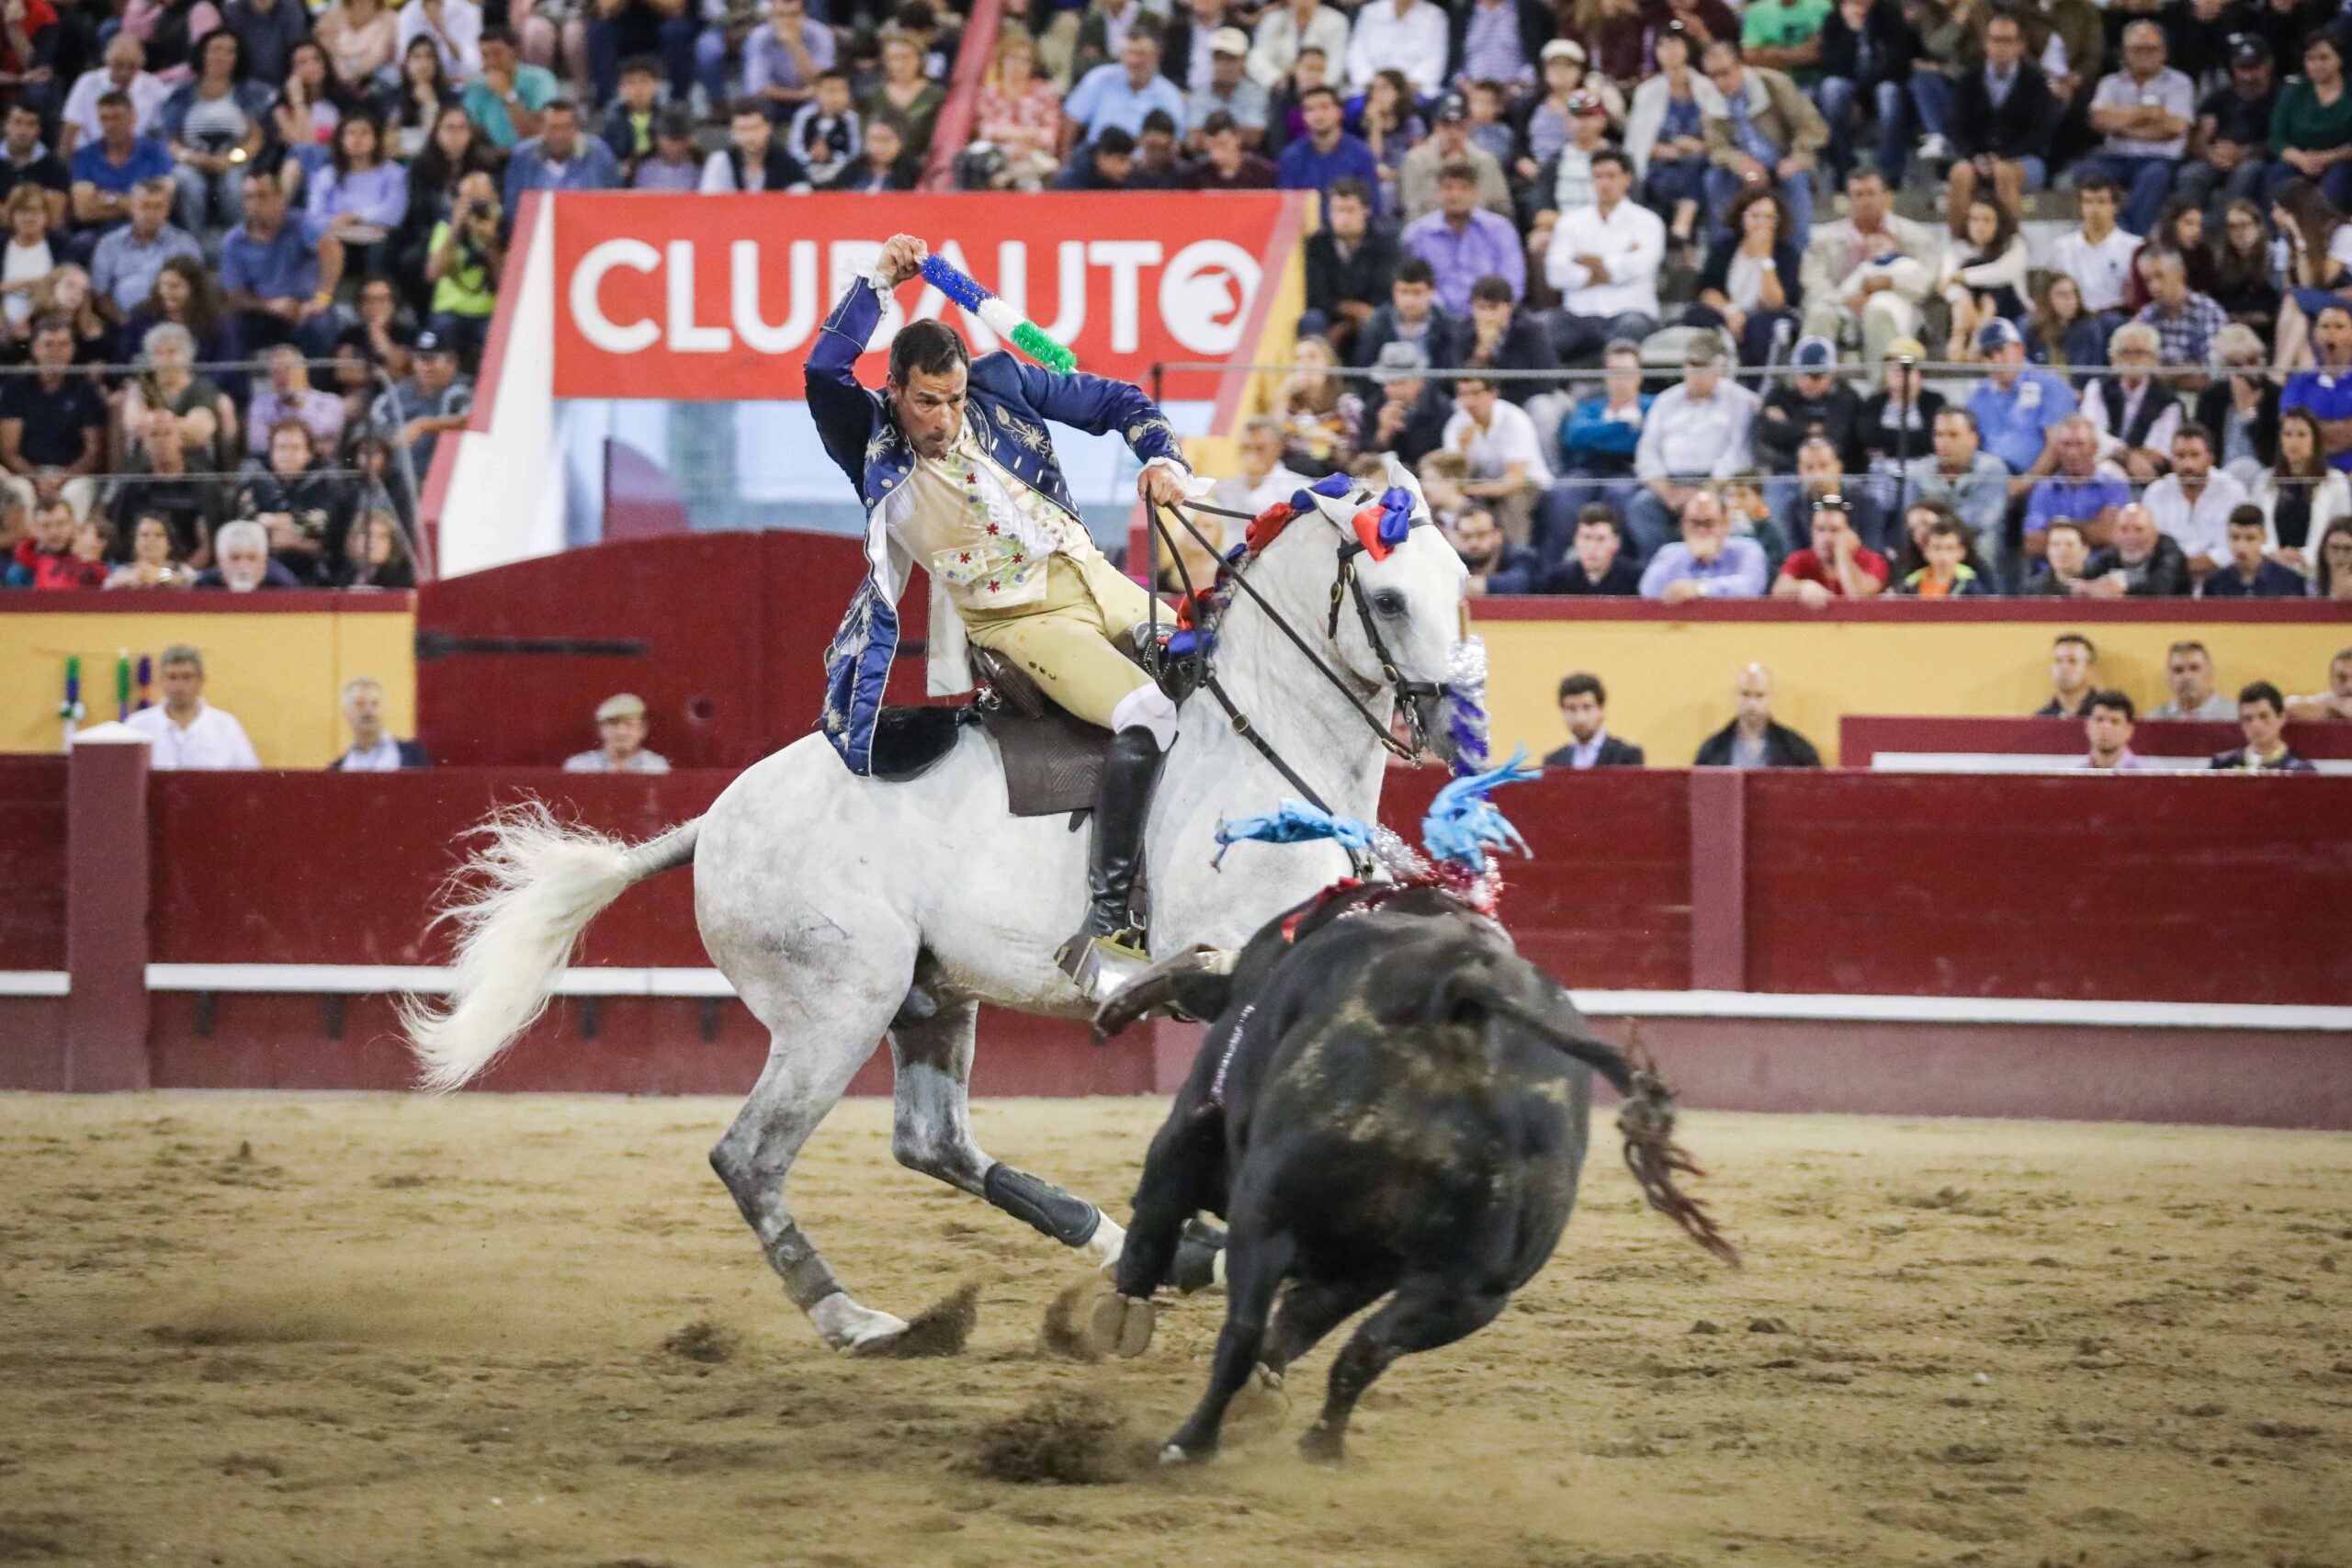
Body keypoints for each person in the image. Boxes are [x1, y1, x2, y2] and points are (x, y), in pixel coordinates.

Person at [806, 232, 1201, 992]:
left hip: (1095, 579)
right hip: (1016, 622)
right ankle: (1110, 927)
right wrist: (877, 280)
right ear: (894, 390)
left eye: (953, 400)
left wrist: (1163, 458)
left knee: (1205, 666)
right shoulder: (866, 436)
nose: (945, 418)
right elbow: (824, 367)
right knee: (1149, 713)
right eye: (927, 401)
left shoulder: (1002, 382)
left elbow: (1120, 399)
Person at [1627, 334, 1757, 559]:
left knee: (1735, 511)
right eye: (1691, 366)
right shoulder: (1666, 401)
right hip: (1670, 483)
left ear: (1719, 367)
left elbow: (1738, 453)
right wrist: (1667, 492)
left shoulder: (1740, 400)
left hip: (1719, 485)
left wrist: (1705, 492)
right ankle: (1662, 567)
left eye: (1703, 367)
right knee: (1641, 506)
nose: (1695, 374)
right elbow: (1647, 451)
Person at [1796, 165, 1937, 367]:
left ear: (1887, 198)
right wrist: (1845, 299)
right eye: (1858, 195)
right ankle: (1809, 383)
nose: (1865, 201)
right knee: (1819, 312)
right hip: (1840, 305)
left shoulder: (1914, 236)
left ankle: (1885, 389)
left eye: (1871, 194)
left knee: (1877, 311)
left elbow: (1927, 280)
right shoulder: (1823, 240)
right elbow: (1813, 283)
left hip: (1893, 307)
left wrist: (1890, 281)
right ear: (1848, 200)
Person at [1699, 39, 1826, 250]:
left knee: (1793, 178)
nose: (1720, 82)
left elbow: (1811, 127)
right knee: (1714, 179)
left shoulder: (1774, 84)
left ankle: (1797, 250)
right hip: (1747, 169)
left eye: (1725, 73)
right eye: (1713, 76)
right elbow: (1716, 147)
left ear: (1740, 66)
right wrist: (1739, 162)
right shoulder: (1710, 99)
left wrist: (1797, 157)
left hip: (1785, 159)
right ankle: (1725, 249)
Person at [1542, 146, 1664, 362]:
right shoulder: (1570, 222)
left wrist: (1586, 262)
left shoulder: (1648, 222)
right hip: (1578, 312)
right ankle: (1552, 394)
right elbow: (1556, 274)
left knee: (1629, 331)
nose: (1604, 183)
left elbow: (1640, 266)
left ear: (1626, 179)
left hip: (1630, 309)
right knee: (1542, 333)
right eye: (1598, 176)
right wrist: (1617, 262)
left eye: (1611, 176)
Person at [1940, 11, 2055, 235]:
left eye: (2008, 41)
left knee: (2004, 172)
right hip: (1977, 157)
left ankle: (2008, 244)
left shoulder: (2035, 81)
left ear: (2019, 46)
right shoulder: (1969, 79)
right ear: (1986, 44)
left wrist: (2002, 157)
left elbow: (2040, 132)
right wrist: (1975, 157)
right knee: (1960, 172)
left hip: (2023, 158)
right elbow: (1955, 126)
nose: (2001, 47)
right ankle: (1959, 243)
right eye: (1995, 40)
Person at [2083, 21, 2194, 237]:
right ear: (2124, 52)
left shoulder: (2180, 83)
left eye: (2151, 49)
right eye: (2136, 49)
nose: (2144, 54)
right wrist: (2147, 114)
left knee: (2155, 176)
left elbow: (2175, 127)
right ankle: (2103, 234)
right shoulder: (2110, 83)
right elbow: (2099, 120)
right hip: (2115, 158)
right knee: (2086, 172)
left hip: (2160, 160)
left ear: (2164, 52)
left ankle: (2129, 237)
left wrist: (2120, 125)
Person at [220, 169, 345, 358]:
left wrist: (322, 298)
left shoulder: (301, 223)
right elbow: (235, 295)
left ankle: (317, 387)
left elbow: (332, 249)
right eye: (249, 197)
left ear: (280, 198)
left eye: (263, 196)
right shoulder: (234, 241)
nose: (255, 204)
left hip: (306, 307)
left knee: (319, 326)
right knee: (230, 327)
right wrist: (270, 305)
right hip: (264, 311)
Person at [0, 314, 105, 529]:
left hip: (72, 474)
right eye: (48, 344)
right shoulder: (16, 389)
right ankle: (27, 552)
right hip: (27, 472)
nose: (55, 351)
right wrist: (37, 478)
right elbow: (9, 451)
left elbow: (93, 452)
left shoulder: (85, 391)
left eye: (63, 344)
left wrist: (62, 478)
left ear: (72, 349)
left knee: (74, 493)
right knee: (20, 491)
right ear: (35, 349)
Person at [1547, 338, 1648, 547]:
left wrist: (1600, 436)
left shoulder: (1653, 405)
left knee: (1620, 492)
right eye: (1614, 371)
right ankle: (1554, 565)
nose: (1620, 378)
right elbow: (1574, 435)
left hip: (1630, 470)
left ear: (1639, 374)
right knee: (1564, 492)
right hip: (1588, 468)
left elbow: (1644, 439)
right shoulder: (1590, 406)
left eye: (1626, 371)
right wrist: (1625, 426)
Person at [1689, 185, 1802, 367]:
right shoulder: (1724, 248)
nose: (1761, 223)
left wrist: (1765, 260)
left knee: (1760, 327)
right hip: (1729, 312)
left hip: (1765, 316)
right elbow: (1707, 290)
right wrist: (1731, 311)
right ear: (1742, 218)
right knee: (1697, 314)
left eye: (1768, 217)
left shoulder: (1787, 253)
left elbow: (1777, 304)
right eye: (1755, 216)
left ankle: (1757, 385)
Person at [2177, 35, 2278, 226]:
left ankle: (2214, 231)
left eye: (2254, 68)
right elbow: (2197, 138)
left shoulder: (2279, 97)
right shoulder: (2220, 97)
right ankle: (2184, 229)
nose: (2248, 76)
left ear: (2268, 64)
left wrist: (2243, 153)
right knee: (2190, 174)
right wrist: (2209, 151)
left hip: (2256, 159)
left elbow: (2279, 141)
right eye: (2242, 68)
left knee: (2247, 172)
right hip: (2216, 158)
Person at [1968, 320, 2076, 496]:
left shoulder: (2050, 385)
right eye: (1988, 355)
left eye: (2001, 350)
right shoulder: (1978, 396)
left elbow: (2056, 444)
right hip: (1990, 480)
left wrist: (2025, 482)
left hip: (2041, 482)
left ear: (2020, 349)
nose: (1996, 360)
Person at [1402, 159, 1523, 314]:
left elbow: (1513, 284)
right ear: (1438, 192)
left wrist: (1486, 312)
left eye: (1464, 188)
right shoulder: (1418, 234)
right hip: (1436, 319)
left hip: (1490, 314)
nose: (1456, 195)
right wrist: (1441, 316)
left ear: (1475, 192)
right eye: (1448, 188)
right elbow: (1415, 284)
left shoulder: (1500, 229)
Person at [123, 644, 261, 768]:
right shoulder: (137, 726)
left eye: (187, 677)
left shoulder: (226, 726)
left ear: (201, 680)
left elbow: (249, 777)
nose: (179, 685)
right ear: (161, 680)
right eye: (172, 677)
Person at [1298, 177, 1394, 353]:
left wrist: (1346, 327)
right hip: (1329, 317)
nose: (1343, 218)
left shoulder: (1384, 243)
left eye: (1350, 211)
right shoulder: (1317, 244)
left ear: (1366, 211)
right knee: (1312, 319)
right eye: (1337, 211)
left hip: (1370, 316)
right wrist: (1349, 310)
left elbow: (1382, 293)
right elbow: (1317, 295)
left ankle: (1370, 380)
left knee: (1377, 320)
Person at [88, 176, 200, 321]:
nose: (151, 214)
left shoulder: (185, 245)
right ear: (132, 207)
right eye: (145, 206)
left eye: (158, 207)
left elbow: (195, 291)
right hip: (122, 324)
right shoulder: (109, 244)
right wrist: (127, 324)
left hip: (172, 325)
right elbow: (100, 295)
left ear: (167, 209)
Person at [2142, 423, 2245, 582]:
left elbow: (2233, 549)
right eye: (2180, 456)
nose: (2187, 465)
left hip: (2221, 581)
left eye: (2194, 455)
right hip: (2167, 584)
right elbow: (2148, 546)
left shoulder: (2233, 492)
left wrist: (2181, 567)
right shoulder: (2156, 493)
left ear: (2210, 459)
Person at [368, 327, 470, 482]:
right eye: (421, 359)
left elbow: (469, 420)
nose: (425, 366)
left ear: (452, 363)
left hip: (441, 480)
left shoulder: (459, 392)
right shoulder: (396, 393)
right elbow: (374, 421)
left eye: (432, 360)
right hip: (394, 479)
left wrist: (423, 425)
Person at [1937, 196, 2029, 361]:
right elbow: (1944, 285)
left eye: (1987, 220)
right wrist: (1963, 299)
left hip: (2009, 313)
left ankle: (1973, 340)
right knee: (1962, 288)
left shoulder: (2014, 245)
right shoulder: (1957, 248)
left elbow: (2003, 273)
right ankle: (1968, 339)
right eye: (1974, 219)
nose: (1980, 226)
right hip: (1968, 315)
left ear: (1998, 223)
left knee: (1994, 283)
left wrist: (1961, 276)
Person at [69, 91, 175, 234]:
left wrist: (109, 198)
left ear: (133, 118)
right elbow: (83, 210)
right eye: (104, 119)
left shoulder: (155, 151)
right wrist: (139, 204)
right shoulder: (85, 154)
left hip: (148, 228)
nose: (110, 125)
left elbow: (162, 203)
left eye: (117, 118)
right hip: (100, 231)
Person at [1754, 334, 1860, 475]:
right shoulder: (1780, 394)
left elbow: (1838, 438)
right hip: (1789, 469)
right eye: (1802, 374)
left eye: (1816, 377)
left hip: (1837, 473)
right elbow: (1766, 433)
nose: (1808, 382)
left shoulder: (1846, 396)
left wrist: (1789, 425)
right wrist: (1810, 429)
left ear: (1831, 375)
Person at [2048, 175, 2143, 331]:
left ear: (2114, 206)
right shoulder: (2062, 247)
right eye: (2088, 202)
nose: (2094, 209)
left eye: (2101, 202)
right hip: (2073, 320)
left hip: (2115, 321)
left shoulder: (2134, 247)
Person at [1640, 489, 1770, 601]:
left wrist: (1700, 588)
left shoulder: (1747, 549)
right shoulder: (1669, 552)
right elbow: (1648, 590)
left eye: (1709, 523)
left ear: (1725, 525)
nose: (1701, 530)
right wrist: (1690, 555)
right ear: (1683, 525)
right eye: (1695, 523)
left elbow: (1751, 587)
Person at [1450, 273, 1558, 401]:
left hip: (1525, 397)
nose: (1487, 316)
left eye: (1493, 308)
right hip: (1480, 401)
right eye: (1481, 308)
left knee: (1542, 406)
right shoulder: (1464, 331)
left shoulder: (1531, 330)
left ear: (1509, 307)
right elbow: (1454, 381)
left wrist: (1500, 397)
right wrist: (1480, 355)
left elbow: (1545, 381)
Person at [1694, 661, 1821, 766]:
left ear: (1771, 697)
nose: (1751, 703)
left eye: (1759, 695)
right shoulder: (1712, 750)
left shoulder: (1796, 750)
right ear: (1735, 696)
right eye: (1745, 694)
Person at [1276, 84, 1381, 209]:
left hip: (1348, 227)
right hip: (1306, 227)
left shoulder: (1361, 154)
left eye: (1324, 107)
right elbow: (1287, 207)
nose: (1318, 114)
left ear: (1339, 112)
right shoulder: (1291, 157)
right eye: (1310, 109)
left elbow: (1372, 206)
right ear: (1303, 116)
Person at [1772, 491, 1885, 604]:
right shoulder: (1800, 559)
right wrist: (1803, 587)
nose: (1826, 538)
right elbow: (1779, 590)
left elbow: (1858, 597)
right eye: (1820, 529)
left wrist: (1842, 554)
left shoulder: (1872, 561)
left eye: (1834, 530)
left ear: (1851, 533)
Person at [502, 97, 620, 203]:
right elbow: (514, 207)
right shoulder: (523, 156)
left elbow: (614, 200)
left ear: (577, 128)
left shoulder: (598, 153)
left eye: (567, 127)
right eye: (554, 127)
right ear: (542, 128)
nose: (560, 135)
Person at [2280, 301, 2352, 473]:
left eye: (2339, 327)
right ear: (2315, 334)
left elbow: (2306, 435)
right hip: (2310, 474)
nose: (2331, 333)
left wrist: (2314, 431)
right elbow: (2292, 429)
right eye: (2325, 326)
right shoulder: (2298, 382)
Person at [1351, 256, 1457, 372]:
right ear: (1394, 291)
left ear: (1432, 291)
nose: (1409, 300)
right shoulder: (1376, 325)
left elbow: (1448, 375)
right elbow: (1364, 371)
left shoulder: (1448, 327)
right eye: (1404, 292)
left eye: (1417, 292)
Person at [1359, 341, 1453, 466]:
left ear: (1420, 380)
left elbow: (1440, 458)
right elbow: (1364, 461)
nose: (1392, 390)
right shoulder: (1374, 406)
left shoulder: (1440, 408)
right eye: (1388, 383)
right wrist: (1384, 434)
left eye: (1400, 382)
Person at [2133, 248, 2229, 370]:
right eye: (2148, 280)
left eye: (2160, 276)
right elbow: (2139, 371)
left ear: (2180, 273)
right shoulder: (2145, 317)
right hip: (2158, 389)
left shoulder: (2209, 311)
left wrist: (2163, 374)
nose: (2154, 287)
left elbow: (2213, 370)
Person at [2079, 501, 2193, 596]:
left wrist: (2121, 589)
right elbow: (2080, 580)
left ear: (2154, 533)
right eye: (2124, 529)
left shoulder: (2171, 554)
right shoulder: (2109, 556)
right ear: (2115, 534)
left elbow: (2162, 590)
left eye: (2138, 529)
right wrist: (2087, 588)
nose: (2130, 537)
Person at [1206, 414, 1306, 518]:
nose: (1251, 454)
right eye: (1246, 448)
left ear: (1277, 448)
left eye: (1259, 448)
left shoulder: (1297, 488)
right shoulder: (1224, 488)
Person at [2203, 503, 2311, 597]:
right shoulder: (2215, 583)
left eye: (2250, 538)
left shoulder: (2288, 580)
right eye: (2235, 537)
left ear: (2263, 537)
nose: (2241, 546)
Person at [1344, 0, 1445, 100]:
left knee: (1412, 109)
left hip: (1413, 89)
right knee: (1354, 109)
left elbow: (1434, 59)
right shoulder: (1370, 11)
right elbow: (1357, 53)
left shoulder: (1435, 16)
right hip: (1371, 86)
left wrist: (1402, 88)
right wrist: (1372, 83)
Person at [329, 675, 433, 768]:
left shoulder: (413, 755)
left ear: (383, 710)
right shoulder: (338, 768)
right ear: (346, 713)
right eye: (360, 704)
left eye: (374, 703)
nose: (368, 710)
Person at [2209, 682, 2317, 771]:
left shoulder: (2300, 771)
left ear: (2281, 718)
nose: (2256, 725)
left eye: (2264, 716)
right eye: (2248, 718)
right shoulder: (2222, 766)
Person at [1544, 672, 1644, 767]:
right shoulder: (1553, 762)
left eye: (1587, 708)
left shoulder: (1626, 756)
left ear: (1601, 710)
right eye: (1571, 709)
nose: (1580, 718)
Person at [1544, 502, 1642, 593]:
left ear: (1616, 543)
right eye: (1587, 538)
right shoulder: (1557, 581)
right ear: (1576, 541)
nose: (1592, 547)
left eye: (1601, 539)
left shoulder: (1637, 580)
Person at [564, 690, 670, 773]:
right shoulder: (580, 767)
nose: (621, 732)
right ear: (600, 729)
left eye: (629, 724)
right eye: (613, 724)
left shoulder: (656, 767)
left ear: (642, 730)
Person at [1894, 509, 1988, 596]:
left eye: (1949, 548)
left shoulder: (1970, 583)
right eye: (1936, 548)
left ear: (1961, 552)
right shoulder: (1912, 583)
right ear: (1925, 551)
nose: (1943, 554)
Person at [1447, 505, 1540, 594]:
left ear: (1498, 536)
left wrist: (1478, 586)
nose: (1473, 543)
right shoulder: (1453, 561)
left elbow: (1519, 582)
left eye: (1481, 535)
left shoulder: (1520, 557)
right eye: (1466, 536)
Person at [194, 517, 303, 590]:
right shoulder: (205, 584)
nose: (243, 566)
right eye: (235, 558)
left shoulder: (285, 586)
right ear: (220, 562)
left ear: (264, 560)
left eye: (252, 558)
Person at [104, 510, 198, 589]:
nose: (151, 540)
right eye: (144, 535)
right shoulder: (121, 572)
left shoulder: (182, 570)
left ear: (169, 544)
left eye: (159, 535)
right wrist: (133, 577)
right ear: (135, 542)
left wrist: (160, 575)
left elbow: (189, 579)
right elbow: (108, 584)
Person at [2147, 638, 2233, 720]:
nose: (2187, 677)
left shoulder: (2234, 716)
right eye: (2178, 670)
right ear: (2169, 678)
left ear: (2210, 672)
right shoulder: (2155, 719)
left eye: (2195, 668)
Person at [2075, 689, 2145, 771]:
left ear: (2129, 730)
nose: (2106, 727)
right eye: (2099, 719)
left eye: (2115, 721)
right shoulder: (2075, 774)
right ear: (2088, 726)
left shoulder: (2142, 776)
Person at [2034, 631, 2098, 716]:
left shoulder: (2106, 716)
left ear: (2089, 668)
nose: (2064, 668)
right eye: (2058, 661)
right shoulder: (2041, 719)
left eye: (2072, 661)